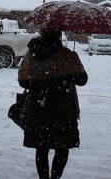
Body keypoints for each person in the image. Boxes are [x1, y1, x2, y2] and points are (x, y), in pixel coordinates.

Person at [17, 28, 88, 179]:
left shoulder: (31, 54)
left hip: (37, 108)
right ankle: (55, 177)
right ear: (59, 35)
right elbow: (82, 80)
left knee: (41, 148)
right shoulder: (66, 55)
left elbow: (23, 81)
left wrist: (41, 82)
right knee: (61, 148)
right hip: (63, 110)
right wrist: (69, 68)